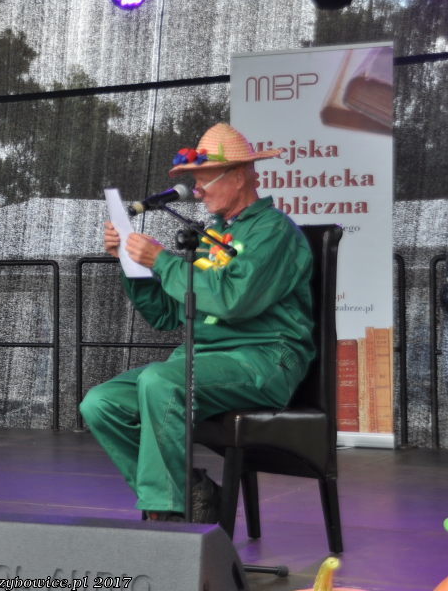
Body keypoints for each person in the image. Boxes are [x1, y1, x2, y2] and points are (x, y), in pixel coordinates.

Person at [79, 123, 315, 523]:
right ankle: (193, 493)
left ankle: (170, 517)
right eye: (195, 181)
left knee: (161, 380)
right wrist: (132, 265)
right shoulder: (212, 236)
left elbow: (232, 300)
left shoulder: (275, 231)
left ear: (239, 176)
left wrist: (163, 260)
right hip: (204, 359)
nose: (198, 191)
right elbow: (167, 314)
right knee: (101, 404)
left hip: (263, 358)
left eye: (204, 179)